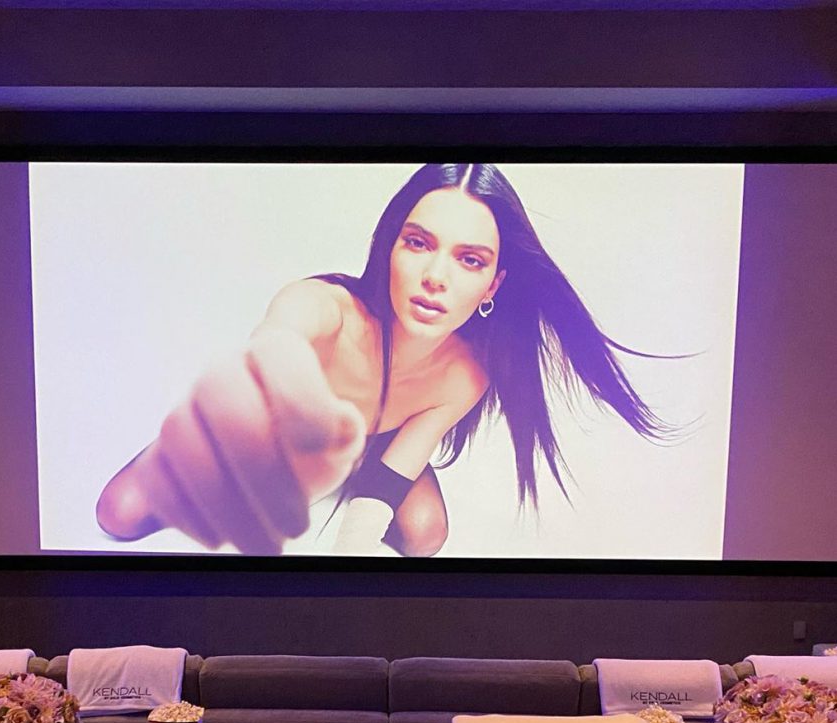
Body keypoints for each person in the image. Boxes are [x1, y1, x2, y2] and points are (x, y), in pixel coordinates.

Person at [96, 163, 670, 557]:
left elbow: (387, 483)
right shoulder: (324, 307)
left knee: (424, 531)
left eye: (469, 260)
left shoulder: (466, 373)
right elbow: (271, 351)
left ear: (493, 285)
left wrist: (339, 582)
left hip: (371, 446)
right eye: (418, 243)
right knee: (118, 513)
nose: (435, 277)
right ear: (390, 245)